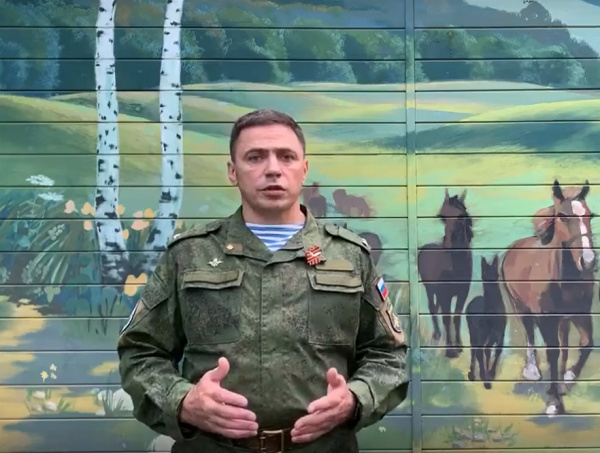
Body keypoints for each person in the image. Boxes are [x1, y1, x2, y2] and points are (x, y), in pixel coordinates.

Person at [117, 108, 409, 453]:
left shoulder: (349, 256)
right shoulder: (190, 254)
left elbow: (388, 354)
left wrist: (355, 400)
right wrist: (182, 401)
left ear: (304, 169)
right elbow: (140, 351)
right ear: (233, 171)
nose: (273, 169)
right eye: (255, 157)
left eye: (286, 156)